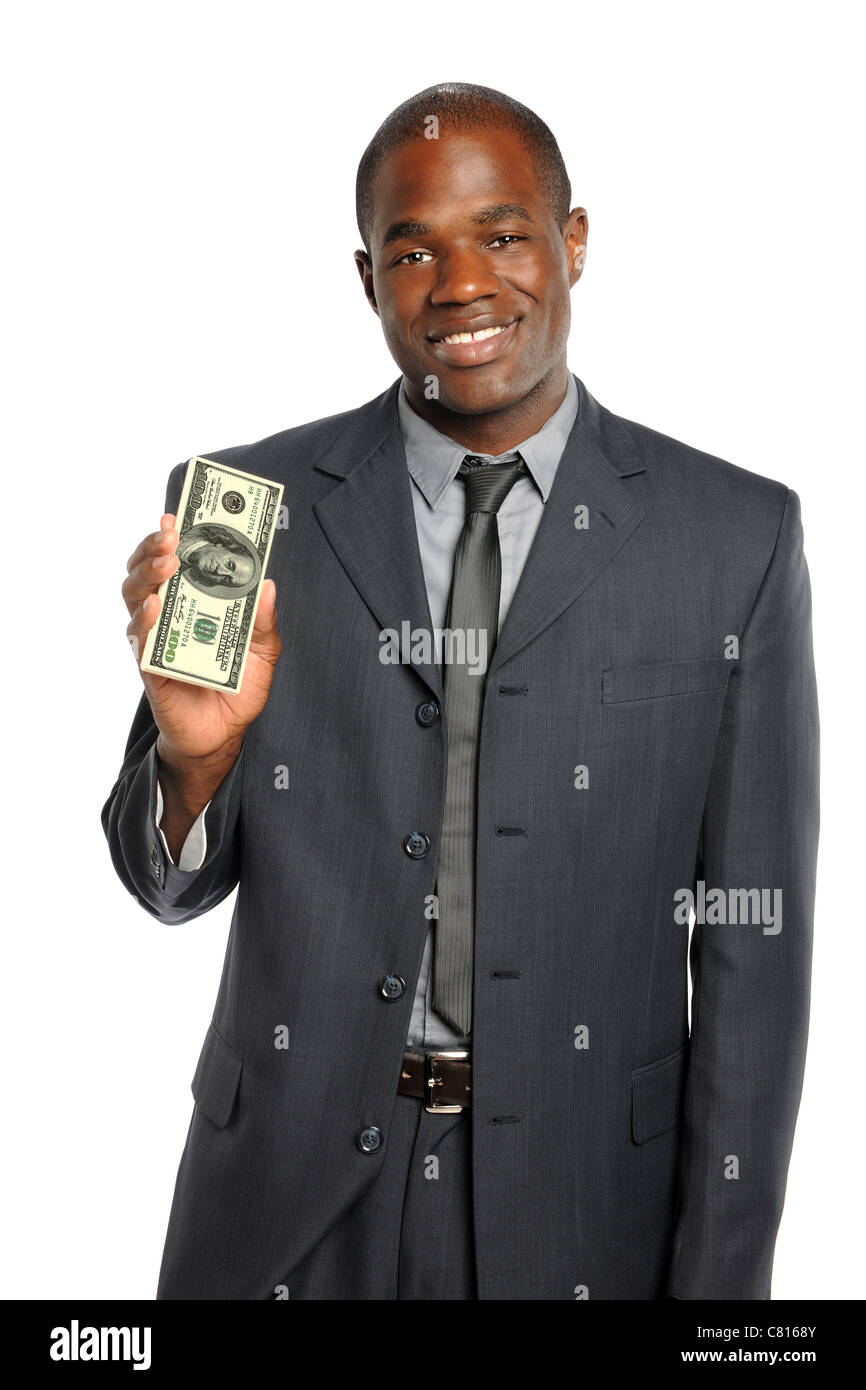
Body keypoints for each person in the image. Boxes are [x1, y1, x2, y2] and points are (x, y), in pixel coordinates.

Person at [102, 82, 819, 1300]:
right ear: (365, 277)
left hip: (587, 1211)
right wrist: (195, 759)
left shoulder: (732, 538)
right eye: (411, 248)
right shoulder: (239, 509)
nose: (460, 284)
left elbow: (755, 967)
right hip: (281, 1206)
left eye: (500, 234)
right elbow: (163, 885)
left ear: (572, 242)